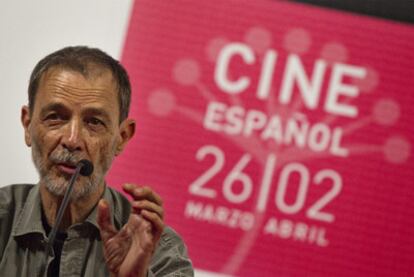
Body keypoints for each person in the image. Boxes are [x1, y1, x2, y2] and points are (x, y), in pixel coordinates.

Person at [0, 46, 194, 276]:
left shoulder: (159, 253)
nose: (72, 140)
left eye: (94, 122)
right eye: (55, 117)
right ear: (28, 125)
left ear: (121, 137)